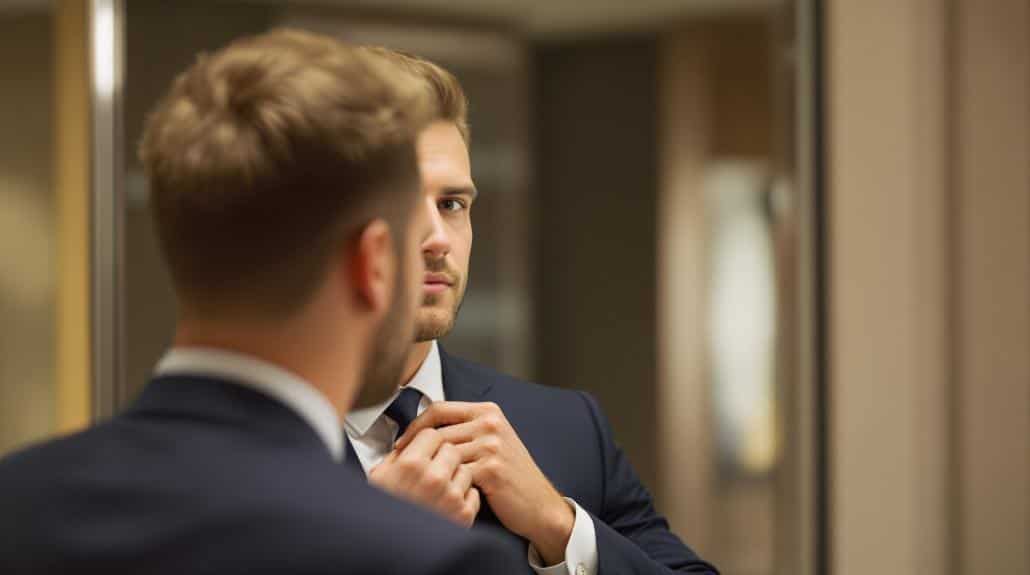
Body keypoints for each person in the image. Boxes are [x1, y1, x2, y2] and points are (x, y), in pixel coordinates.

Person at [0, 29, 521, 575]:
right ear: (373, 263)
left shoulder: (13, 504)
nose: (436, 242)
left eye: (453, 205)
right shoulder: (431, 560)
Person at [344, 48, 719, 574]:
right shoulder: (222, 454)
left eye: (452, 205)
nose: (437, 240)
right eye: (402, 203)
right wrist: (374, 540)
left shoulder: (568, 429)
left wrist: (559, 527)